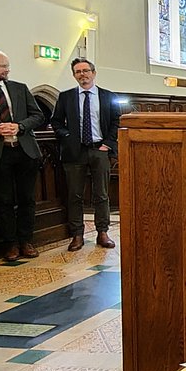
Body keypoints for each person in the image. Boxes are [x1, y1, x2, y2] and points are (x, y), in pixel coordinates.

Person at [0, 49, 45, 261]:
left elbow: (38, 115)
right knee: (3, 200)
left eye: (6, 66)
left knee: (27, 199)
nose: (7, 70)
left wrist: (20, 126)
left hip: (24, 151)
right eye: (2, 66)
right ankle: (11, 244)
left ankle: (26, 241)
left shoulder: (19, 88)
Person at [50, 58, 120, 250]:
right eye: (78, 72)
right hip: (75, 151)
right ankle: (77, 234)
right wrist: (67, 136)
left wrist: (107, 144)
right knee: (74, 195)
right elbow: (56, 122)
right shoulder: (66, 97)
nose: (83, 74)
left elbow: (116, 121)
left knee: (102, 194)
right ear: (74, 75)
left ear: (93, 73)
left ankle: (103, 232)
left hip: (100, 149)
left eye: (86, 70)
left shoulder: (107, 96)